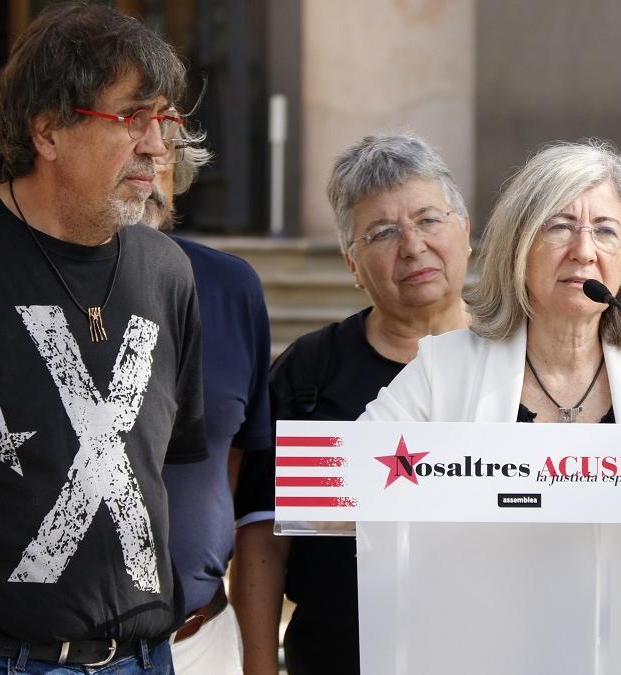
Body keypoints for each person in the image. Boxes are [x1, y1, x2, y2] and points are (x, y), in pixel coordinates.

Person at [359, 139, 621, 675]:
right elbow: (339, 482)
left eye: (605, 230)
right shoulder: (445, 369)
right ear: (518, 247)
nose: (583, 250)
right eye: (559, 226)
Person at [0, 3, 204, 673]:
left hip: (147, 657)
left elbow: (178, 458)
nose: (158, 147)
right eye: (132, 117)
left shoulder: (168, 271)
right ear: (48, 130)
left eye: (163, 120)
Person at [231, 133, 472, 674]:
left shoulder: (520, 364)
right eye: (383, 232)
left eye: (429, 220)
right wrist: (259, 666)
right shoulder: (308, 373)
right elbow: (262, 539)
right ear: (352, 264)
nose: (412, 246)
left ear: (466, 232)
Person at [143, 126, 272, 673]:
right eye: (126, 135)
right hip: (54, 653)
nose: (147, 167)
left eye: (164, 153)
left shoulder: (230, 286)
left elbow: (234, 456)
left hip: (201, 638)